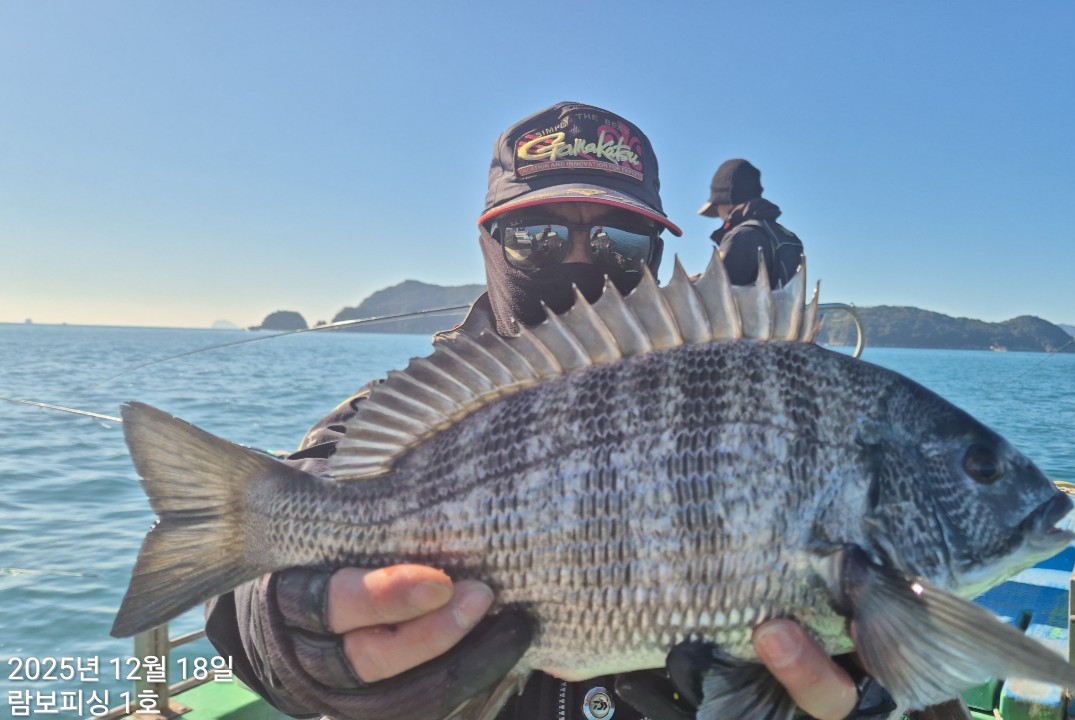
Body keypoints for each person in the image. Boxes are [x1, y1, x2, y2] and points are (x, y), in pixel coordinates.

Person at [205, 102, 865, 720]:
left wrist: (873, 674)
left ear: (656, 254)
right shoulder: (407, 407)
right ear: (491, 243)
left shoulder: (715, 401)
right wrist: (275, 620)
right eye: (536, 236)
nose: (578, 259)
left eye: (619, 241)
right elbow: (305, 490)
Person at [698, 159, 805, 289]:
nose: (719, 215)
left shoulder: (741, 236)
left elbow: (717, 292)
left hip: (752, 304)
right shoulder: (788, 237)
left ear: (725, 200)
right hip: (783, 304)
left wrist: (692, 285)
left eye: (716, 207)